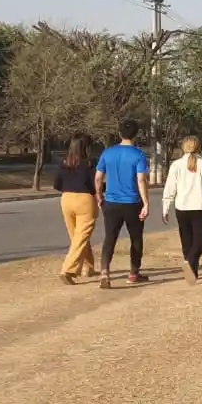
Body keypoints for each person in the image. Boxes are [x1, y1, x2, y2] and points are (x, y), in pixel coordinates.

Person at [94, 118, 150, 288]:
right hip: (133, 202)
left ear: (119, 133)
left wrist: (99, 196)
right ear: (136, 134)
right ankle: (133, 273)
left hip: (111, 202)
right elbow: (141, 180)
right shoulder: (138, 154)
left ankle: (104, 272)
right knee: (136, 238)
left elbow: (97, 178)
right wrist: (146, 202)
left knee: (110, 238)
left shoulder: (108, 153)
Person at [162, 136, 202, 285]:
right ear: (198, 148)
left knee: (186, 241)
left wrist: (165, 208)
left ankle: (192, 271)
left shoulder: (176, 165)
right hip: (199, 208)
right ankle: (189, 262)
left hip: (181, 208)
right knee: (198, 244)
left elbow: (170, 188)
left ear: (183, 148)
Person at [53, 133, 99, 284]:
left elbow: (56, 185)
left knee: (77, 237)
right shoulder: (90, 163)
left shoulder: (64, 163)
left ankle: (88, 267)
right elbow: (95, 185)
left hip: (66, 199)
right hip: (85, 200)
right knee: (81, 237)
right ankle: (68, 270)